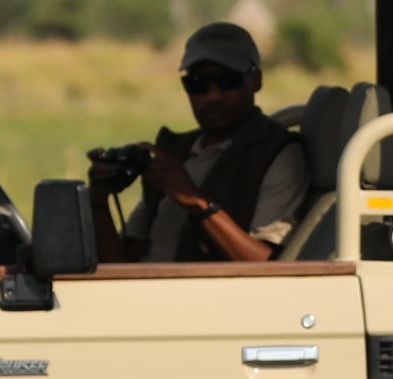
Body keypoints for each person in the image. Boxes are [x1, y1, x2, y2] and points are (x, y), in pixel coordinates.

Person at [90, 21, 310, 263]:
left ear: (255, 80)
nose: (212, 96)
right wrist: (99, 202)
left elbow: (268, 266)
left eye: (227, 80)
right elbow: (119, 265)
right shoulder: (174, 153)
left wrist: (197, 202)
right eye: (197, 83)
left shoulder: (277, 153)